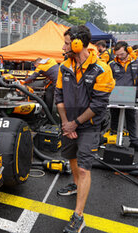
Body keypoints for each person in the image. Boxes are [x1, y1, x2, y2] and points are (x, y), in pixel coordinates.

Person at [54, 26, 115, 233]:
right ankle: (75, 185)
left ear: (79, 43)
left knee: (83, 168)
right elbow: (59, 97)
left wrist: (75, 123)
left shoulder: (102, 69)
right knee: (71, 159)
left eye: (67, 43)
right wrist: (65, 123)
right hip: (68, 124)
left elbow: (98, 106)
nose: (64, 47)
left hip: (89, 126)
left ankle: (78, 216)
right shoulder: (64, 67)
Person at [109, 41, 138, 150]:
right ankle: (113, 138)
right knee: (114, 117)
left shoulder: (135, 62)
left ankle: (134, 140)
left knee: (131, 118)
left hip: (131, 94)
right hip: (116, 95)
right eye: (117, 54)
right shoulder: (112, 64)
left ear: (128, 50)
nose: (120, 57)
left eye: (122, 54)